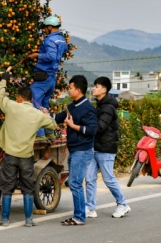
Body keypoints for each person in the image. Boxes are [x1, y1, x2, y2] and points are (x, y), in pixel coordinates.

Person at [0, 72, 57, 227]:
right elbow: (53, 125)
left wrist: (4, 80)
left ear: (20, 98)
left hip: (10, 155)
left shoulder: (11, 107)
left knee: (7, 187)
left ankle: (4, 220)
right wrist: (46, 114)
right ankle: (29, 220)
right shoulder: (37, 114)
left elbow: (0, 97)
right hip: (26, 156)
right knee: (28, 188)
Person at [51, 75, 97, 226]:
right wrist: (46, 114)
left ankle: (79, 217)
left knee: (76, 183)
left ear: (78, 89)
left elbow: (91, 130)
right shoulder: (72, 106)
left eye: (70, 88)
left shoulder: (88, 108)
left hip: (83, 151)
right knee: (74, 183)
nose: (68, 90)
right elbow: (58, 117)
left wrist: (72, 126)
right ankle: (78, 215)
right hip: (74, 150)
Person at [85, 77, 131, 219]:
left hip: (106, 148)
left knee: (108, 179)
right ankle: (90, 207)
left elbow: (100, 127)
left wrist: (83, 127)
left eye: (96, 86)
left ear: (104, 90)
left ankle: (123, 204)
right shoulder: (99, 105)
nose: (93, 88)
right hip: (95, 147)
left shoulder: (108, 107)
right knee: (89, 178)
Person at [27, 16, 68, 136]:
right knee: (44, 106)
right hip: (52, 77)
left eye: (45, 27)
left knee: (35, 105)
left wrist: (37, 55)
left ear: (50, 27)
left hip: (43, 77)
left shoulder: (49, 40)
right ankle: (49, 132)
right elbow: (61, 53)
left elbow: (51, 56)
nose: (44, 30)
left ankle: (39, 135)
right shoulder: (61, 40)